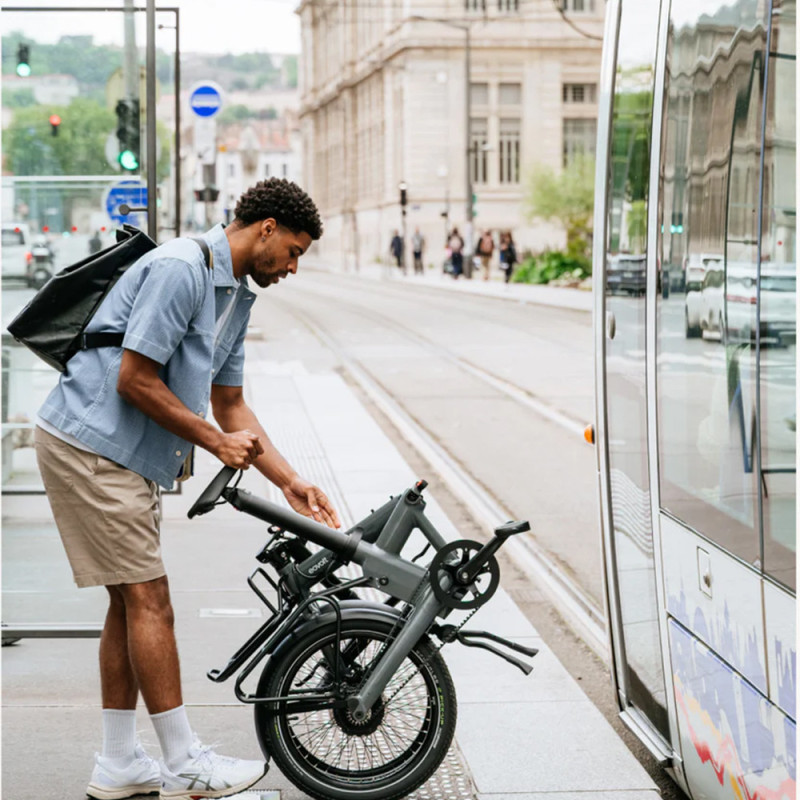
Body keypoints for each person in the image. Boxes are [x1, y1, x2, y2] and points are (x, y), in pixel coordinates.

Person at [33, 178, 341, 800]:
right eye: (294, 251)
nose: (294, 267)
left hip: (125, 455)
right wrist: (213, 443)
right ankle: (184, 764)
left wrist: (291, 482)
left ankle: (119, 762)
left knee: (128, 602)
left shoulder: (236, 298)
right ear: (267, 229)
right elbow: (134, 379)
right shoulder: (181, 269)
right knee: (151, 600)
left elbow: (231, 404)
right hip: (92, 445)